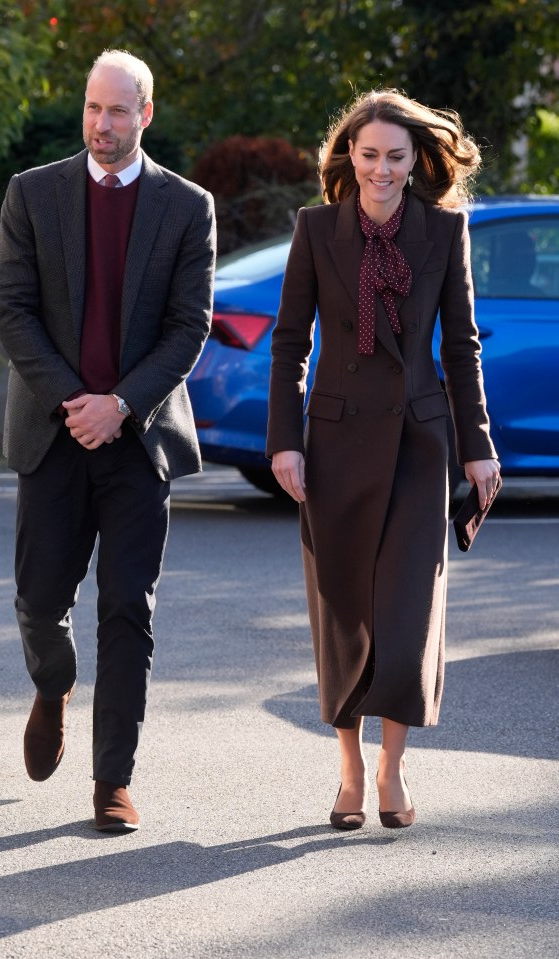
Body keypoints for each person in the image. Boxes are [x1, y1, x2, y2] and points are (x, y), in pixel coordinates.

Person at [0, 49, 216, 832]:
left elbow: (188, 326)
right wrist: (74, 403)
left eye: (119, 110)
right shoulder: (32, 193)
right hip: (52, 437)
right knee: (38, 602)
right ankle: (52, 685)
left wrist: (119, 404)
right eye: (94, 107)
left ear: (145, 115)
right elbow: (13, 310)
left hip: (138, 440)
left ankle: (112, 780)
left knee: (128, 607)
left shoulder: (187, 206)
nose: (102, 124)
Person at [267, 90, 500, 830]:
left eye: (395, 156)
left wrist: (478, 447)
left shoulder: (442, 231)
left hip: (416, 445)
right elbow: (289, 345)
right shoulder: (314, 230)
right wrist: (285, 440)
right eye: (368, 155)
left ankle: (392, 769)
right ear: (349, 159)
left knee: (404, 620)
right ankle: (347, 768)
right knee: (343, 616)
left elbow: (460, 347)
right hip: (333, 445)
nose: (380, 169)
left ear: (414, 161)